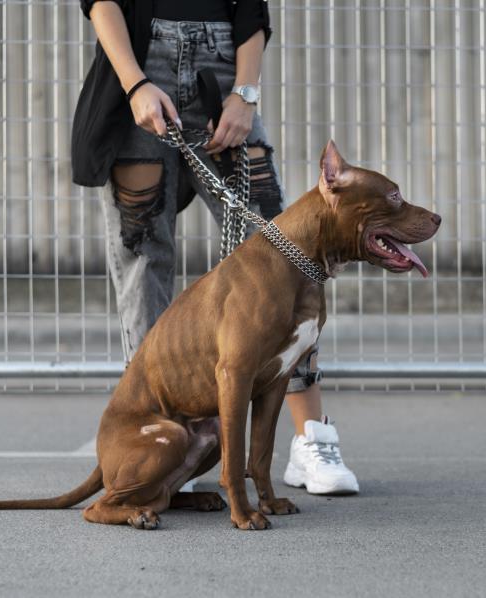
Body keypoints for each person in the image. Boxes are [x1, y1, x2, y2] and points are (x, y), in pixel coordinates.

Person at [72, 0, 359, 495]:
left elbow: (252, 8)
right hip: (141, 67)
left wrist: (245, 94)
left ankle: (311, 438)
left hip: (223, 74)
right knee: (143, 259)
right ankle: (164, 440)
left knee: (286, 254)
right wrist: (135, 83)